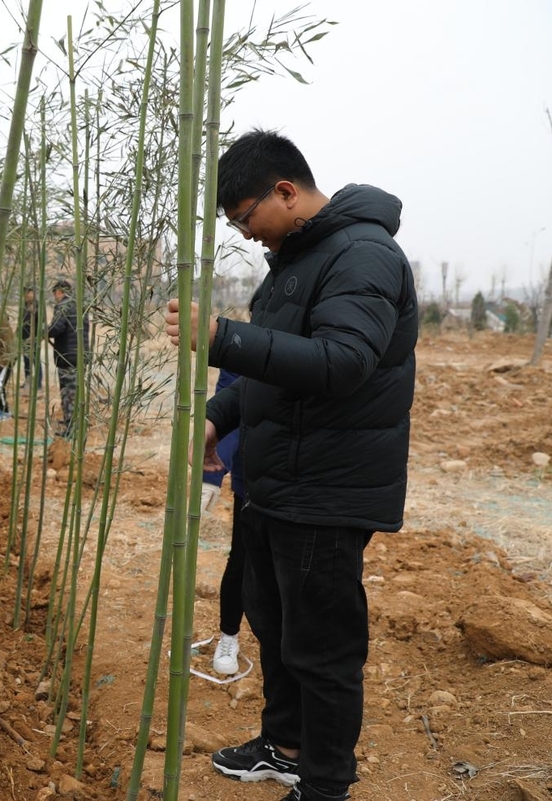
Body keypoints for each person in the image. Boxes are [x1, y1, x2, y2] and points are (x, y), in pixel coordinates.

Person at [166, 129, 418, 801]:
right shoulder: (296, 259)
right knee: (272, 622)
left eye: (247, 218)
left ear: (285, 191)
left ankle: (326, 783)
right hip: (277, 481)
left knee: (322, 645)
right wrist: (220, 417)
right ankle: (284, 744)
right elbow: (270, 373)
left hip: (326, 488)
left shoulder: (363, 254)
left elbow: (340, 363)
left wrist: (224, 336)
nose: (246, 234)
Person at [201, 368, 244, 676]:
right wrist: (210, 477)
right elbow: (231, 402)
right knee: (242, 558)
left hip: (316, 475)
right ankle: (230, 635)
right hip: (257, 475)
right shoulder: (249, 338)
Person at [47, 278, 89, 438]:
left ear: (59, 292)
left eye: (55, 294)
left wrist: (44, 330)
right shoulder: (79, 306)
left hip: (68, 358)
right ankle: (73, 424)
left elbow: (57, 327)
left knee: (68, 395)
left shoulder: (64, 305)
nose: (55, 297)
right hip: (79, 356)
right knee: (75, 393)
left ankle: (72, 430)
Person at [20, 286, 43, 389]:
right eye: (26, 293)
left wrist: (35, 312)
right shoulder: (24, 306)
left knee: (35, 361)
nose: (27, 296)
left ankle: (38, 384)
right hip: (24, 338)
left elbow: (42, 322)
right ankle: (28, 382)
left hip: (33, 338)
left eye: (29, 293)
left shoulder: (37, 306)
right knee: (26, 361)